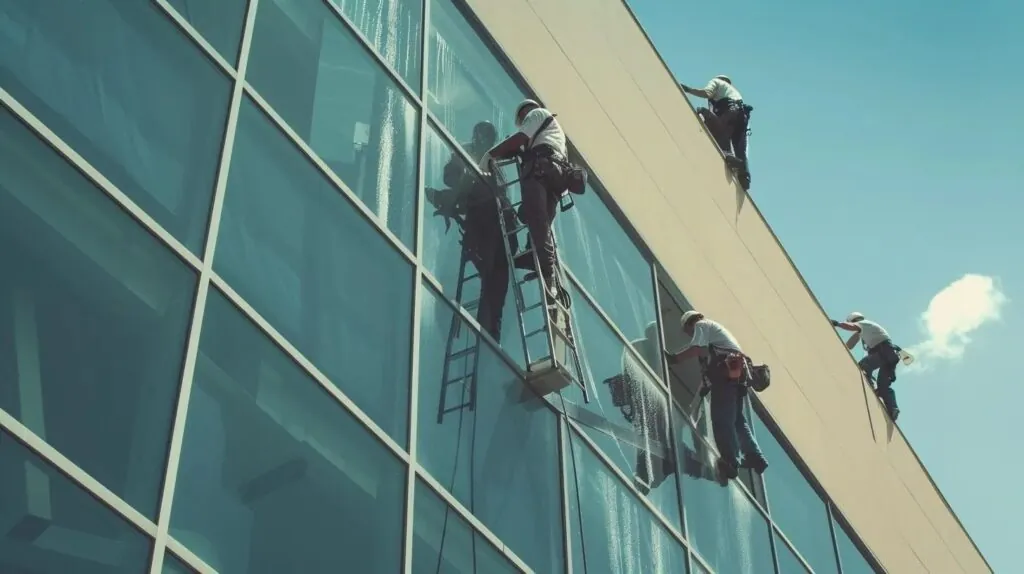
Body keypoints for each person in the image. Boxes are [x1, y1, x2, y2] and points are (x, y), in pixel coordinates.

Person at [425, 121, 518, 342]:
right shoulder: (467, 155)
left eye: (488, 137)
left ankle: (490, 332)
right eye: (481, 135)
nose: (484, 140)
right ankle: (486, 332)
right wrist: (451, 197)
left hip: (497, 222)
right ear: (476, 136)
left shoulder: (492, 161)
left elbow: (491, 188)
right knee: (491, 273)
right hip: (483, 220)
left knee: (496, 278)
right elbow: (455, 178)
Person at [479, 99, 569, 317]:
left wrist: (490, 155)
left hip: (541, 168)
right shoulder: (554, 134)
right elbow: (520, 146)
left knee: (536, 218)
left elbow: (520, 139)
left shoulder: (537, 114)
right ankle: (534, 258)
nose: (522, 123)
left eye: (521, 120)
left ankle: (548, 277)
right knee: (538, 220)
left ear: (525, 114)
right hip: (556, 177)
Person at [666, 310, 767, 480]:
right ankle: (755, 457)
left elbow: (696, 348)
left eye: (689, 331)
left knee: (721, 420)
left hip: (728, 378)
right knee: (736, 421)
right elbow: (707, 367)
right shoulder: (715, 338)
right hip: (737, 378)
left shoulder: (702, 325)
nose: (691, 335)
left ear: (691, 323)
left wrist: (674, 359)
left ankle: (730, 461)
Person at [680, 75, 753, 191]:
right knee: (740, 148)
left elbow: (707, 93)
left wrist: (688, 90)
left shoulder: (717, 82)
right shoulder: (734, 91)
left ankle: (728, 155)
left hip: (730, 110)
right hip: (742, 116)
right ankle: (744, 177)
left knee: (720, 133)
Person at [831, 312, 902, 421]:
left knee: (864, 366)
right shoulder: (866, 330)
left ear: (854, 320)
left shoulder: (863, 323)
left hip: (883, 352)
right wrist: (843, 349)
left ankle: (870, 387)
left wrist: (838, 324)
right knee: (883, 386)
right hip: (890, 355)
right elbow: (851, 343)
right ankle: (893, 409)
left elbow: (852, 327)